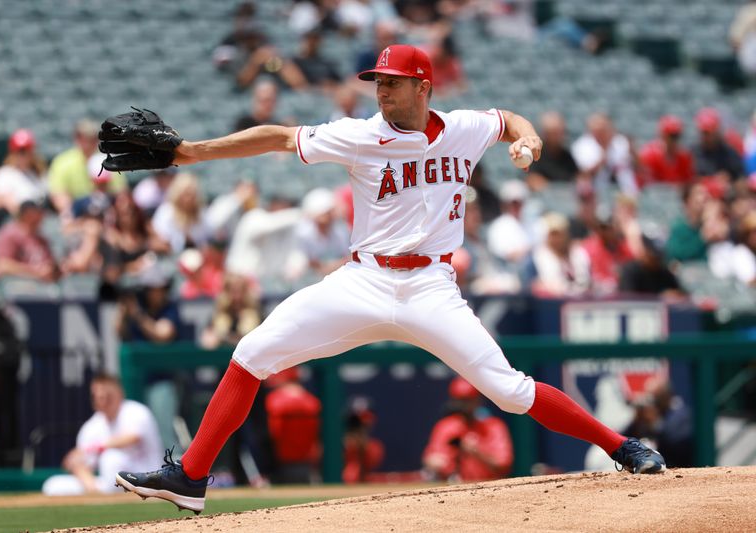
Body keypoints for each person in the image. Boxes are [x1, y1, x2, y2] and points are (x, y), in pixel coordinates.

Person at [115, 44, 665, 515]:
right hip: (363, 282)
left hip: (432, 289)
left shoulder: (465, 128)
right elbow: (281, 137)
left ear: (422, 86)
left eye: (393, 83)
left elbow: (509, 120)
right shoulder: (359, 135)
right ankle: (190, 478)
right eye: (377, 81)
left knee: (510, 392)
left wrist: (529, 141)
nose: (381, 91)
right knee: (251, 352)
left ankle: (622, 447)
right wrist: (189, 153)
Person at [42, 373, 162, 495]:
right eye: (98, 396)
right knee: (52, 485)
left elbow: (132, 437)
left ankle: (104, 491)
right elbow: (77, 461)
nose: (102, 399)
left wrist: (97, 447)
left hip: (147, 480)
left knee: (111, 457)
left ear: (119, 393)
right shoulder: (92, 426)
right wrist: (84, 475)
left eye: (107, 395)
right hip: (109, 483)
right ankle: (99, 491)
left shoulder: (136, 411)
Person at [423, 377, 513, 482]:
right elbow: (431, 458)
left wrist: (477, 452)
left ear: (478, 400)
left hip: (489, 487)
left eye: (468, 400)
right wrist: (434, 462)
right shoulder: (446, 426)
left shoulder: (493, 426)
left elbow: (504, 466)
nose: (463, 405)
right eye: (460, 400)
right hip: (454, 489)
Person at [48, 119, 126, 217]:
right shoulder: (63, 162)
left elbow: (121, 194)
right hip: (77, 216)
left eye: (92, 138)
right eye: (85, 137)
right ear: (77, 138)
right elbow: (59, 196)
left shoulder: (110, 161)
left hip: (108, 213)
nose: (88, 142)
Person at [263, 367, 321, 484]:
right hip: (307, 464)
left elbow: (273, 433)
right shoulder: (312, 401)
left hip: (282, 464)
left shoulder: (274, 399)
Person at [571, 112, 638, 201]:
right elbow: (583, 175)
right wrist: (604, 155)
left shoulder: (621, 142)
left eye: (604, 129)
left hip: (626, 193)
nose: (602, 133)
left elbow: (639, 168)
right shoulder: (582, 146)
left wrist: (634, 153)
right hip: (595, 195)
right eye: (598, 130)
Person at [0, 199, 60, 282]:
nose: (39, 217)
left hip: (41, 289)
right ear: (24, 215)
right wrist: (35, 272)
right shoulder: (10, 234)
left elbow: (49, 265)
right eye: (34, 213)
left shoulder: (41, 239)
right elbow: (2, 266)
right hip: (18, 287)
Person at [0, 129, 49, 215]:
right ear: (13, 152)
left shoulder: (39, 174)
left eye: (28, 150)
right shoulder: (4, 174)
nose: (24, 155)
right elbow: (9, 204)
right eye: (21, 151)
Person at [151, 172, 209, 253]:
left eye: (193, 194)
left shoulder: (201, 212)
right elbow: (159, 241)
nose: (190, 198)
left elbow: (205, 240)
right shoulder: (166, 212)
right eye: (187, 194)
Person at [526, 111, 580, 192]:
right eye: (553, 133)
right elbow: (531, 179)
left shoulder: (566, 155)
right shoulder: (536, 152)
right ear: (544, 133)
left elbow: (577, 177)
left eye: (560, 132)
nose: (557, 136)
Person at [618, 236, 685, 300]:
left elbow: (679, 292)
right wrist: (660, 296)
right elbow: (628, 298)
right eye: (653, 257)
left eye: (658, 258)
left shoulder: (662, 270)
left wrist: (674, 294)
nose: (655, 260)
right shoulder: (631, 270)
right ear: (645, 253)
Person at [638, 115, 695, 186]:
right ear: (663, 135)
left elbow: (688, 182)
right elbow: (645, 182)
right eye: (673, 136)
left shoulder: (684, 157)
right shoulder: (650, 154)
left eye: (678, 136)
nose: (675, 140)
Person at [691, 108, 744, 182]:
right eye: (704, 132)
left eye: (709, 132)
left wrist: (728, 181)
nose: (707, 136)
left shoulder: (730, 155)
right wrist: (709, 181)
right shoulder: (692, 153)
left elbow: (741, 181)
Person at [342, 396, 384, 484]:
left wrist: (361, 445)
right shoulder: (337, 443)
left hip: (364, 485)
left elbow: (373, 459)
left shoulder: (373, 446)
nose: (360, 426)